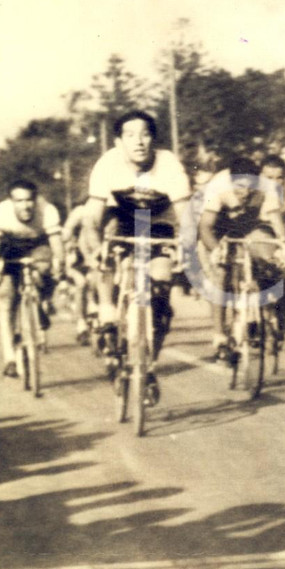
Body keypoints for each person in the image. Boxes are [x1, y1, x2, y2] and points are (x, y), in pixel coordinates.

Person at [82, 110, 192, 399]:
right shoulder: (108, 163)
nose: (139, 141)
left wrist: (186, 250)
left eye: (145, 134)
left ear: (153, 139)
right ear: (118, 142)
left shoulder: (169, 164)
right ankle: (107, 309)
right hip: (121, 218)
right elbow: (92, 217)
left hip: (158, 222)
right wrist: (95, 250)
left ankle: (149, 366)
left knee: (160, 292)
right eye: (130, 135)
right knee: (105, 243)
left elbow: (185, 217)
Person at [198, 156, 285, 362]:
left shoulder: (267, 188)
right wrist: (216, 250)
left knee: (267, 254)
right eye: (240, 188)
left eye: (250, 188)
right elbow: (205, 227)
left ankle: (268, 313)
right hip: (220, 226)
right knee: (220, 274)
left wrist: (282, 248)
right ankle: (219, 335)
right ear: (231, 182)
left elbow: (277, 224)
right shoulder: (218, 186)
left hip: (250, 224)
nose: (245, 193)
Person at [0, 180, 64, 377]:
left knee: (45, 268)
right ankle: (10, 358)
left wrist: (59, 265)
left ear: (36, 200)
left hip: (38, 245)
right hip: (10, 247)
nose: (25, 205)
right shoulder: (0, 214)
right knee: (6, 297)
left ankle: (40, 301)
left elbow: (56, 243)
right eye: (19, 200)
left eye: (29, 200)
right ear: (11, 201)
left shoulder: (48, 211)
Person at [60, 200, 95, 346]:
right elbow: (66, 232)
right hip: (78, 261)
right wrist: (69, 242)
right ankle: (81, 325)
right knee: (82, 283)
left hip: (98, 256)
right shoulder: (82, 211)